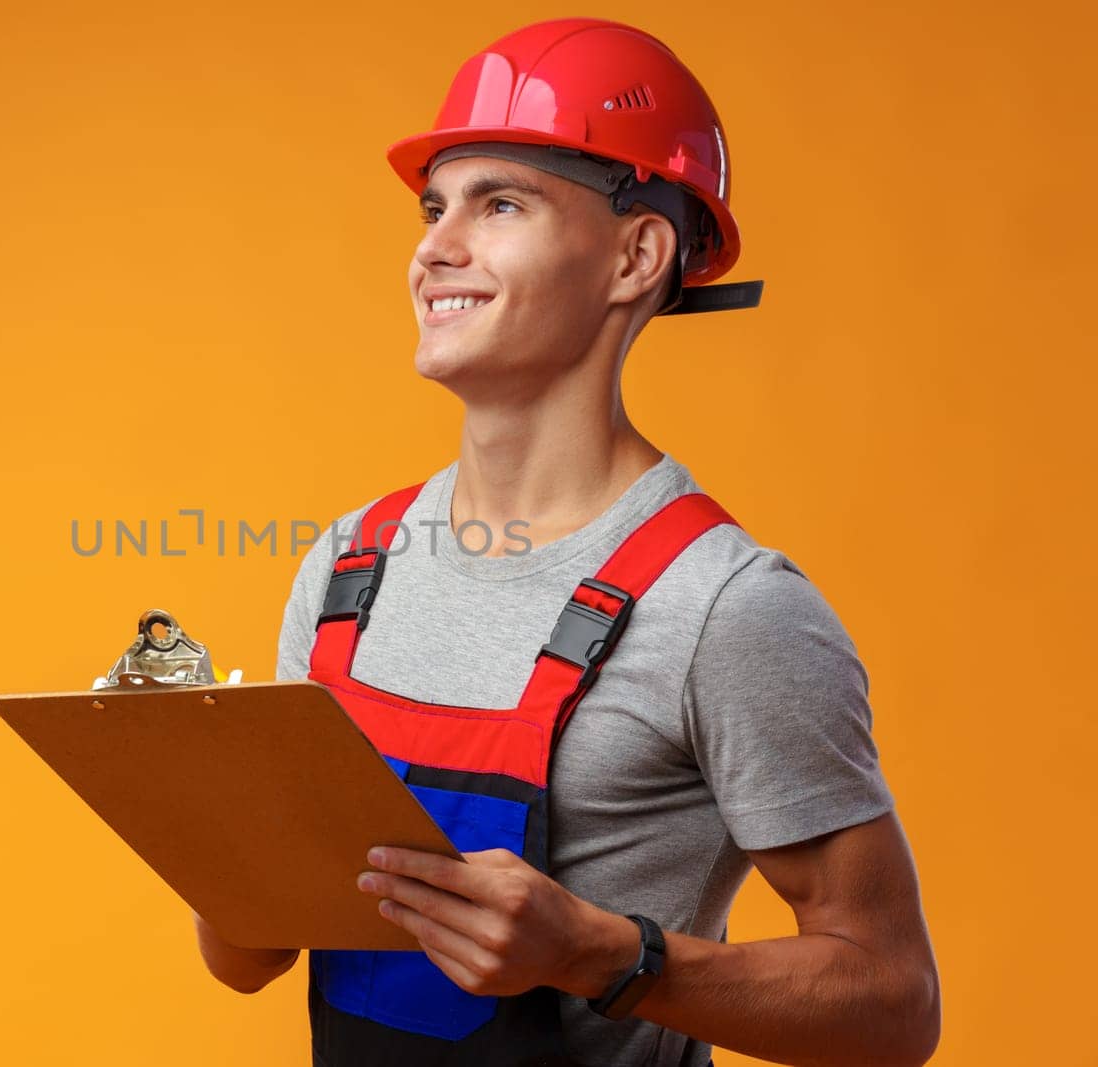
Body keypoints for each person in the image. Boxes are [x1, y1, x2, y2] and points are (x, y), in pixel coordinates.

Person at [193, 18, 940, 1067]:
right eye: (433, 206)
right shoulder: (345, 567)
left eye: (500, 203)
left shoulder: (725, 605)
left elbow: (893, 1004)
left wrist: (595, 952)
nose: (434, 248)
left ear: (637, 254)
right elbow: (243, 956)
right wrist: (207, 824)